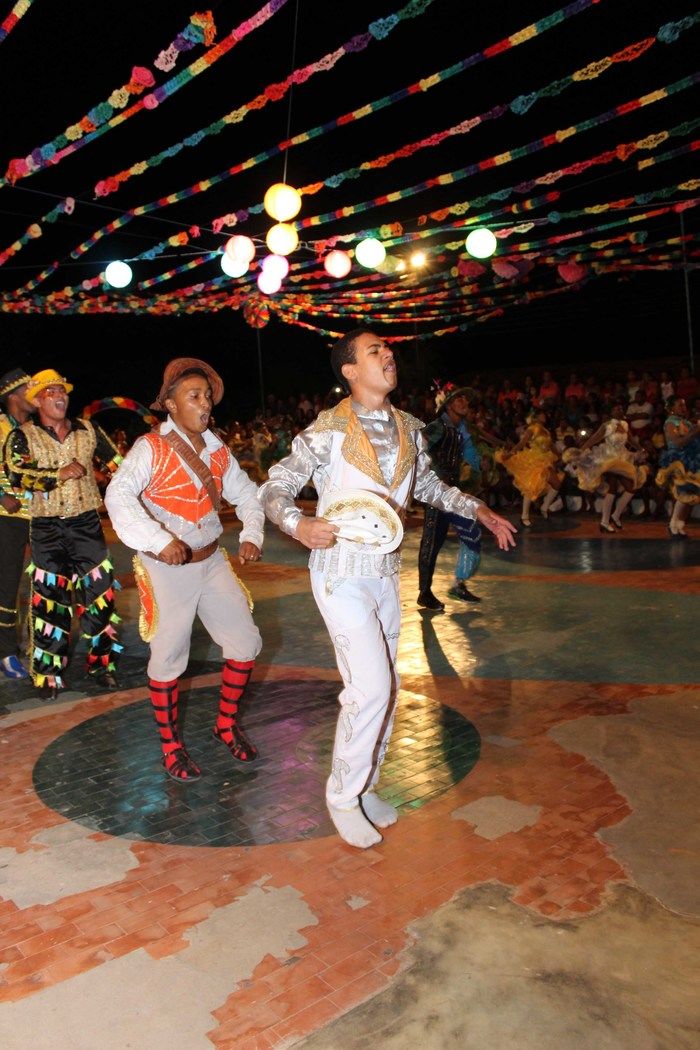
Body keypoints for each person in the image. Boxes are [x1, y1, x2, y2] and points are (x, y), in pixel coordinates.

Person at [258, 328, 516, 849]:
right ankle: (341, 795)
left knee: (389, 687)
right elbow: (275, 485)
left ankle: (367, 784)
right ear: (349, 371)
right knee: (369, 687)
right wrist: (298, 524)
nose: (387, 354)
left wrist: (479, 509)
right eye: (374, 351)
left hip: (382, 573)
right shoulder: (326, 431)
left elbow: (429, 487)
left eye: (388, 349)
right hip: (338, 573)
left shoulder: (408, 428)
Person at [104, 358, 264, 782]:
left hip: (212, 561)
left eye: (207, 396)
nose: (205, 404)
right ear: (170, 405)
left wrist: (252, 533)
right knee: (169, 657)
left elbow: (248, 494)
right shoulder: (150, 448)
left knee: (245, 641)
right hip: (167, 569)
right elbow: (118, 498)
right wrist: (158, 541)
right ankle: (170, 747)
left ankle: (224, 725)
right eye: (194, 396)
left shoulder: (216, 448)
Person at [4, 369, 123, 698]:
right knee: (50, 604)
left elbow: (118, 462)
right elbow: (16, 474)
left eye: (63, 391)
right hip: (47, 528)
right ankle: (48, 675)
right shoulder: (23, 435)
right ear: (39, 399)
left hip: (87, 525)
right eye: (52, 391)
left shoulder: (88, 430)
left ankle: (101, 665)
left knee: (99, 599)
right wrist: (58, 474)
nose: (60, 396)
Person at [417, 382, 499, 609]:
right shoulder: (438, 427)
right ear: (448, 406)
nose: (465, 403)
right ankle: (424, 592)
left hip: (454, 493)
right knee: (432, 542)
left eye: (466, 400)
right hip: (437, 493)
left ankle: (458, 585)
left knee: (468, 533)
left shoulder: (459, 429)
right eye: (459, 400)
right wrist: (428, 478)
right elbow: (417, 449)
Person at [563, 404, 648, 532]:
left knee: (631, 488)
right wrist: (580, 452)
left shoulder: (624, 424)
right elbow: (593, 439)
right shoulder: (606, 426)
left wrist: (641, 449)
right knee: (613, 487)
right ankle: (605, 521)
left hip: (623, 459)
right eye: (616, 408)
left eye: (620, 408)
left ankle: (614, 516)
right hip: (609, 460)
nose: (619, 409)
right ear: (611, 412)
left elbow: (630, 440)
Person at [0, 368, 34, 679]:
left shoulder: (34, 429)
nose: (35, 394)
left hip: (38, 517)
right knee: (7, 585)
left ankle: (34, 642)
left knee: (44, 582)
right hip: (7, 518)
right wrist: (1, 496)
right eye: (29, 389)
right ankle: (7, 652)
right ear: (14, 396)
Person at [495, 409, 564, 527]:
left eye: (544, 414)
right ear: (536, 417)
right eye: (542, 414)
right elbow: (521, 443)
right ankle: (524, 516)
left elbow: (551, 446)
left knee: (557, 484)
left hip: (546, 460)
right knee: (531, 486)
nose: (544, 416)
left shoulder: (546, 431)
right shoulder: (532, 429)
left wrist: (560, 455)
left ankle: (544, 507)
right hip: (534, 460)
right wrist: (510, 453)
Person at [655, 395, 700, 537]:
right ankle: (673, 525)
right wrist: (695, 432)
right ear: (671, 408)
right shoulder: (670, 422)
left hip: (691, 458)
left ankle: (678, 525)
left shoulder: (686, 422)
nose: (683, 408)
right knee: (684, 493)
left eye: (684, 405)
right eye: (680, 405)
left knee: (691, 493)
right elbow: (678, 443)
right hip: (679, 460)